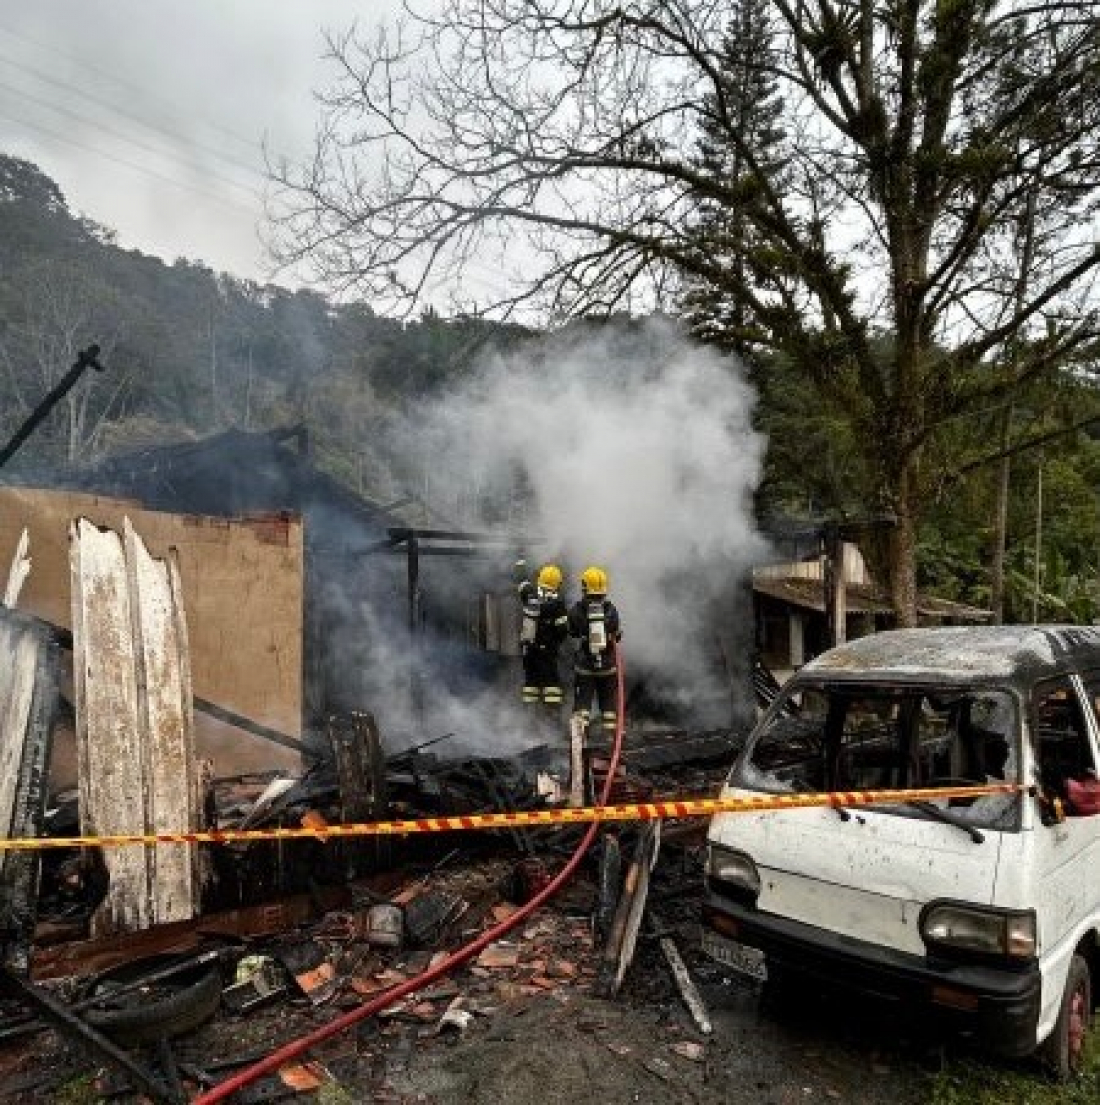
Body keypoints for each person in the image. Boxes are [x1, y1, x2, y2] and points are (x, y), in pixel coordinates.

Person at [569, 565, 622, 737]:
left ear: (584, 587)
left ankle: (579, 738)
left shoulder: (576, 610)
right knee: (608, 704)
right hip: (607, 667)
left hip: (585, 666)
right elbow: (616, 633)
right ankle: (610, 736)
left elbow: (572, 632)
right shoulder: (611, 610)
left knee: (583, 703)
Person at [514, 560, 569, 709]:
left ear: (540, 579)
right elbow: (562, 630)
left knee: (530, 681)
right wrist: (556, 643)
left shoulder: (530, 595)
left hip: (529, 650)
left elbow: (522, 583)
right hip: (548, 651)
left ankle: (529, 712)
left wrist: (520, 566)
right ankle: (551, 712)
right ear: (557, 584)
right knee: (551, 683)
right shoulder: (558, 604)